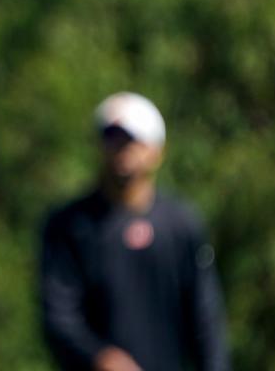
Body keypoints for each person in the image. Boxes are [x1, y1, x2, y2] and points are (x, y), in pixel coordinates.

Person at [40, 92, 230, 371]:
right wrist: (100, 358)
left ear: (157, 151)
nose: (121, 150)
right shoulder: (69, 226)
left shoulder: (181, 224)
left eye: (131, 141)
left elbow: (205, 317)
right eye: (112, 139)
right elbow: (58, 316)